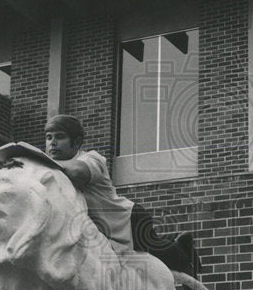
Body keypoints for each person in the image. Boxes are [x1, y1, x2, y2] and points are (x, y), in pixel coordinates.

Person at [43, 114, 200, 280]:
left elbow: (77, 173)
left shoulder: (91, 158)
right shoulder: (53, 171)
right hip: (108, 231)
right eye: (49, 137)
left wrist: (43, 162)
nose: (53, 142)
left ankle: (182, 249)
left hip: (128, 218)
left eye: (60, 137)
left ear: (76, 142)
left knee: (153, 250)